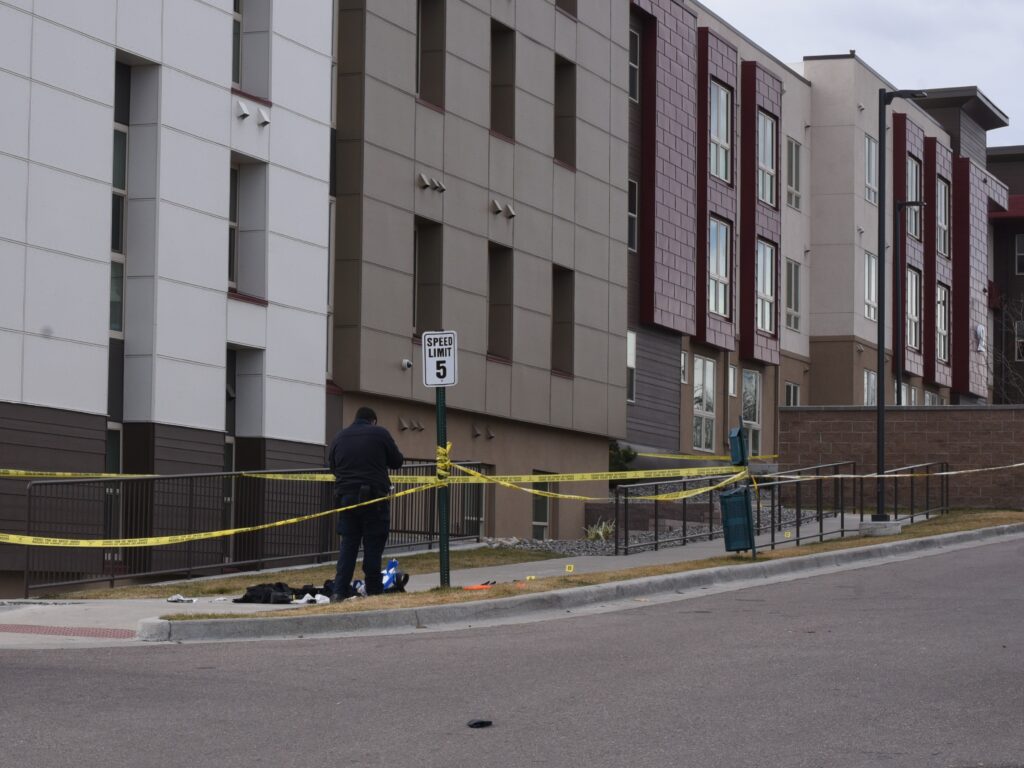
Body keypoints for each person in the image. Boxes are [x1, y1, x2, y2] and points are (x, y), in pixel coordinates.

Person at [328, 406, 404, 601]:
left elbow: (333, 466)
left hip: (346, 500)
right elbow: (397, 461)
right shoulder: (380, 433)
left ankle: (339, 591)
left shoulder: (340, 436)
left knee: (348, 546)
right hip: (374, 499)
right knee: (373, 545)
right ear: (373, 421)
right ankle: (374, 590)